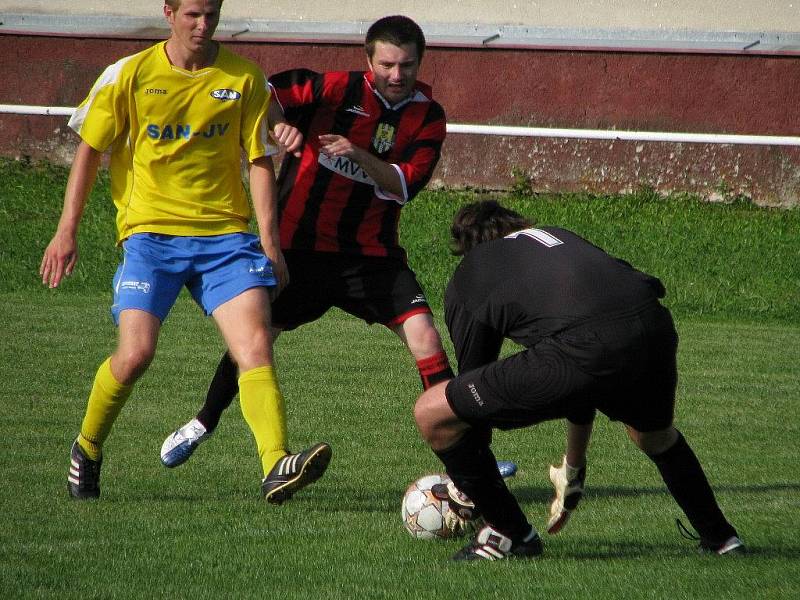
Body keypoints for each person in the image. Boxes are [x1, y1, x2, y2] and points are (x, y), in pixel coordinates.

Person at [40, 0, 330, 504]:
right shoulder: (128, 74)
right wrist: (66, 230)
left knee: (255, 348)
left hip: (226, 240)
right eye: (193, 14)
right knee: (134, 356)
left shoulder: (243, 78)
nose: (203, 25)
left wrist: (270, 243)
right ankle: (87, 447)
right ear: (169, 11)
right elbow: (90, 149)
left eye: (211, 14)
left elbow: (260, 159)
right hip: (150, 236)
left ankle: (275, 464)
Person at [159, 15, 460, 470]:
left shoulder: (428, 117)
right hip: (299, 250)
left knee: (426, 337)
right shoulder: (334, 89)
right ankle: (202, 422)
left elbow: (404, 185)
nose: (396, 75)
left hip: (371, 256)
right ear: (368, 60)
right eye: (387, 65)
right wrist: (281, 126)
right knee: (255, 342)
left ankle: (470, 454)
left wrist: (358, 154)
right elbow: (263, 90)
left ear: (421, 62)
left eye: (407, 66)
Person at [413, 199, 743, 560]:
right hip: (652, 326)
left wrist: (468, 487)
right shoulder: (561, 237)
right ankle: (723, 539)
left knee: (434, 413)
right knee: (653, 435)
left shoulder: (471, 272)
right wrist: (573, 465)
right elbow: (586, 376)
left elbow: (469, 402)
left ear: (466, 246)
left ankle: (510, 535)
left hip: (587, 346)